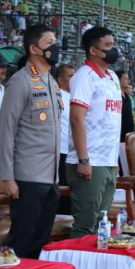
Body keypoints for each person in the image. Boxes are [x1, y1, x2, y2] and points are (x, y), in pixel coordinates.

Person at [0, 24, 62, 258]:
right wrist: (7, 176)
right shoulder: (21, 81)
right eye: (50, 43)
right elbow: (6, 130)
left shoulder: (52, 82)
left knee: (40, 240)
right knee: (22, 240)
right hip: (28, 176)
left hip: (50, 175)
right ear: (34, 48)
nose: (56, 47)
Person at [67, 26, 121, 238]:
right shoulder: (84, 77)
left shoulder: (112, 78)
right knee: (85, 225)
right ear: (93, 50)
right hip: (89, 161)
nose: (113, 49)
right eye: (108, 46)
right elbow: (76, 118)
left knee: (102, 223)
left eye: (113, 45)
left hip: (106, 161)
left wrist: (113, 160)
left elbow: (111, 120)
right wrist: (83, 159)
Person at [55, 63, 75, 215]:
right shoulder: (57, 96)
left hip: (74, 152)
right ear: (61, 80)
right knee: (62, 191)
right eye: (70, 76)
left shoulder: (76, 96)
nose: (74, 79)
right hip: (60, 151)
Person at [116, 70, 135, 143]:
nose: (128, 81)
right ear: (118, 80)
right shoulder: (116, 96)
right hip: (119, 135)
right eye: (126, 79)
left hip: (129, 135)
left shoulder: (127, 97)